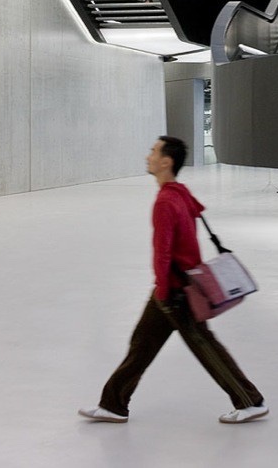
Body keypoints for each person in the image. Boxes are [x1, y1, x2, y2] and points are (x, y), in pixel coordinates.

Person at [79, 136, 268, 424]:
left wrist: (165, 291)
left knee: (205, 347)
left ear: (166, 161)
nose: (148, 156)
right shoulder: (179, 193)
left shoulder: (166, 201)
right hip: (176, 288)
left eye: (153, 152)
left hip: (176, 291)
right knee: (141, 346)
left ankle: (250, 401)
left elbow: (163, 252)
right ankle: (113, 405)